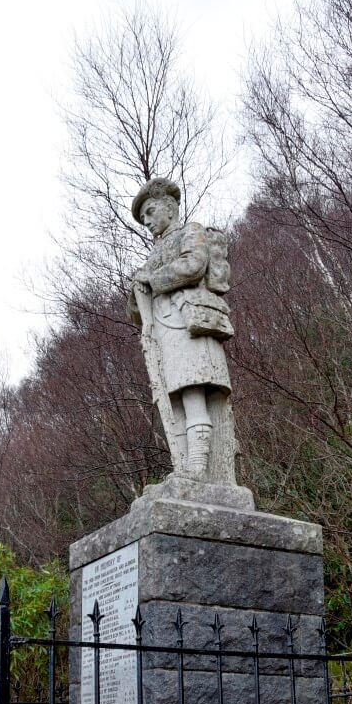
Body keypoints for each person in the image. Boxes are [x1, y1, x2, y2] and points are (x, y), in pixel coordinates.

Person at [128, 177, 235, 479]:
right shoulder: (153, 254)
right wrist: (138, 290)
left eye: (150, 212)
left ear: (169, 207)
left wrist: (151, 278)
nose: (146, 221)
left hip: (189, 325)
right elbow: (138, 306)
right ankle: (185, 467)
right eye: (144, 217)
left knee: (193, 395)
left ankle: (199, 469)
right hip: (164, 333)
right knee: (175, 400)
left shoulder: (191, 231)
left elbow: (194, 265)